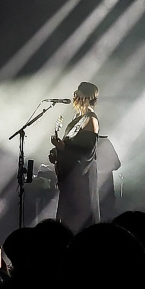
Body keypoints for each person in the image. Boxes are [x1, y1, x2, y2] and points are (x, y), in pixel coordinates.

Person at [48, 80, 100, 233]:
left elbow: (86, 151)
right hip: (71, 179)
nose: (74, 96)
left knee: (79, 220)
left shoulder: (90, 119)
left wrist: (62, 147)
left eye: (77, 93)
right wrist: (57, 154)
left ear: (84, 96)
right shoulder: (78, 118)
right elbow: (71, 144)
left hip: (81, 180)